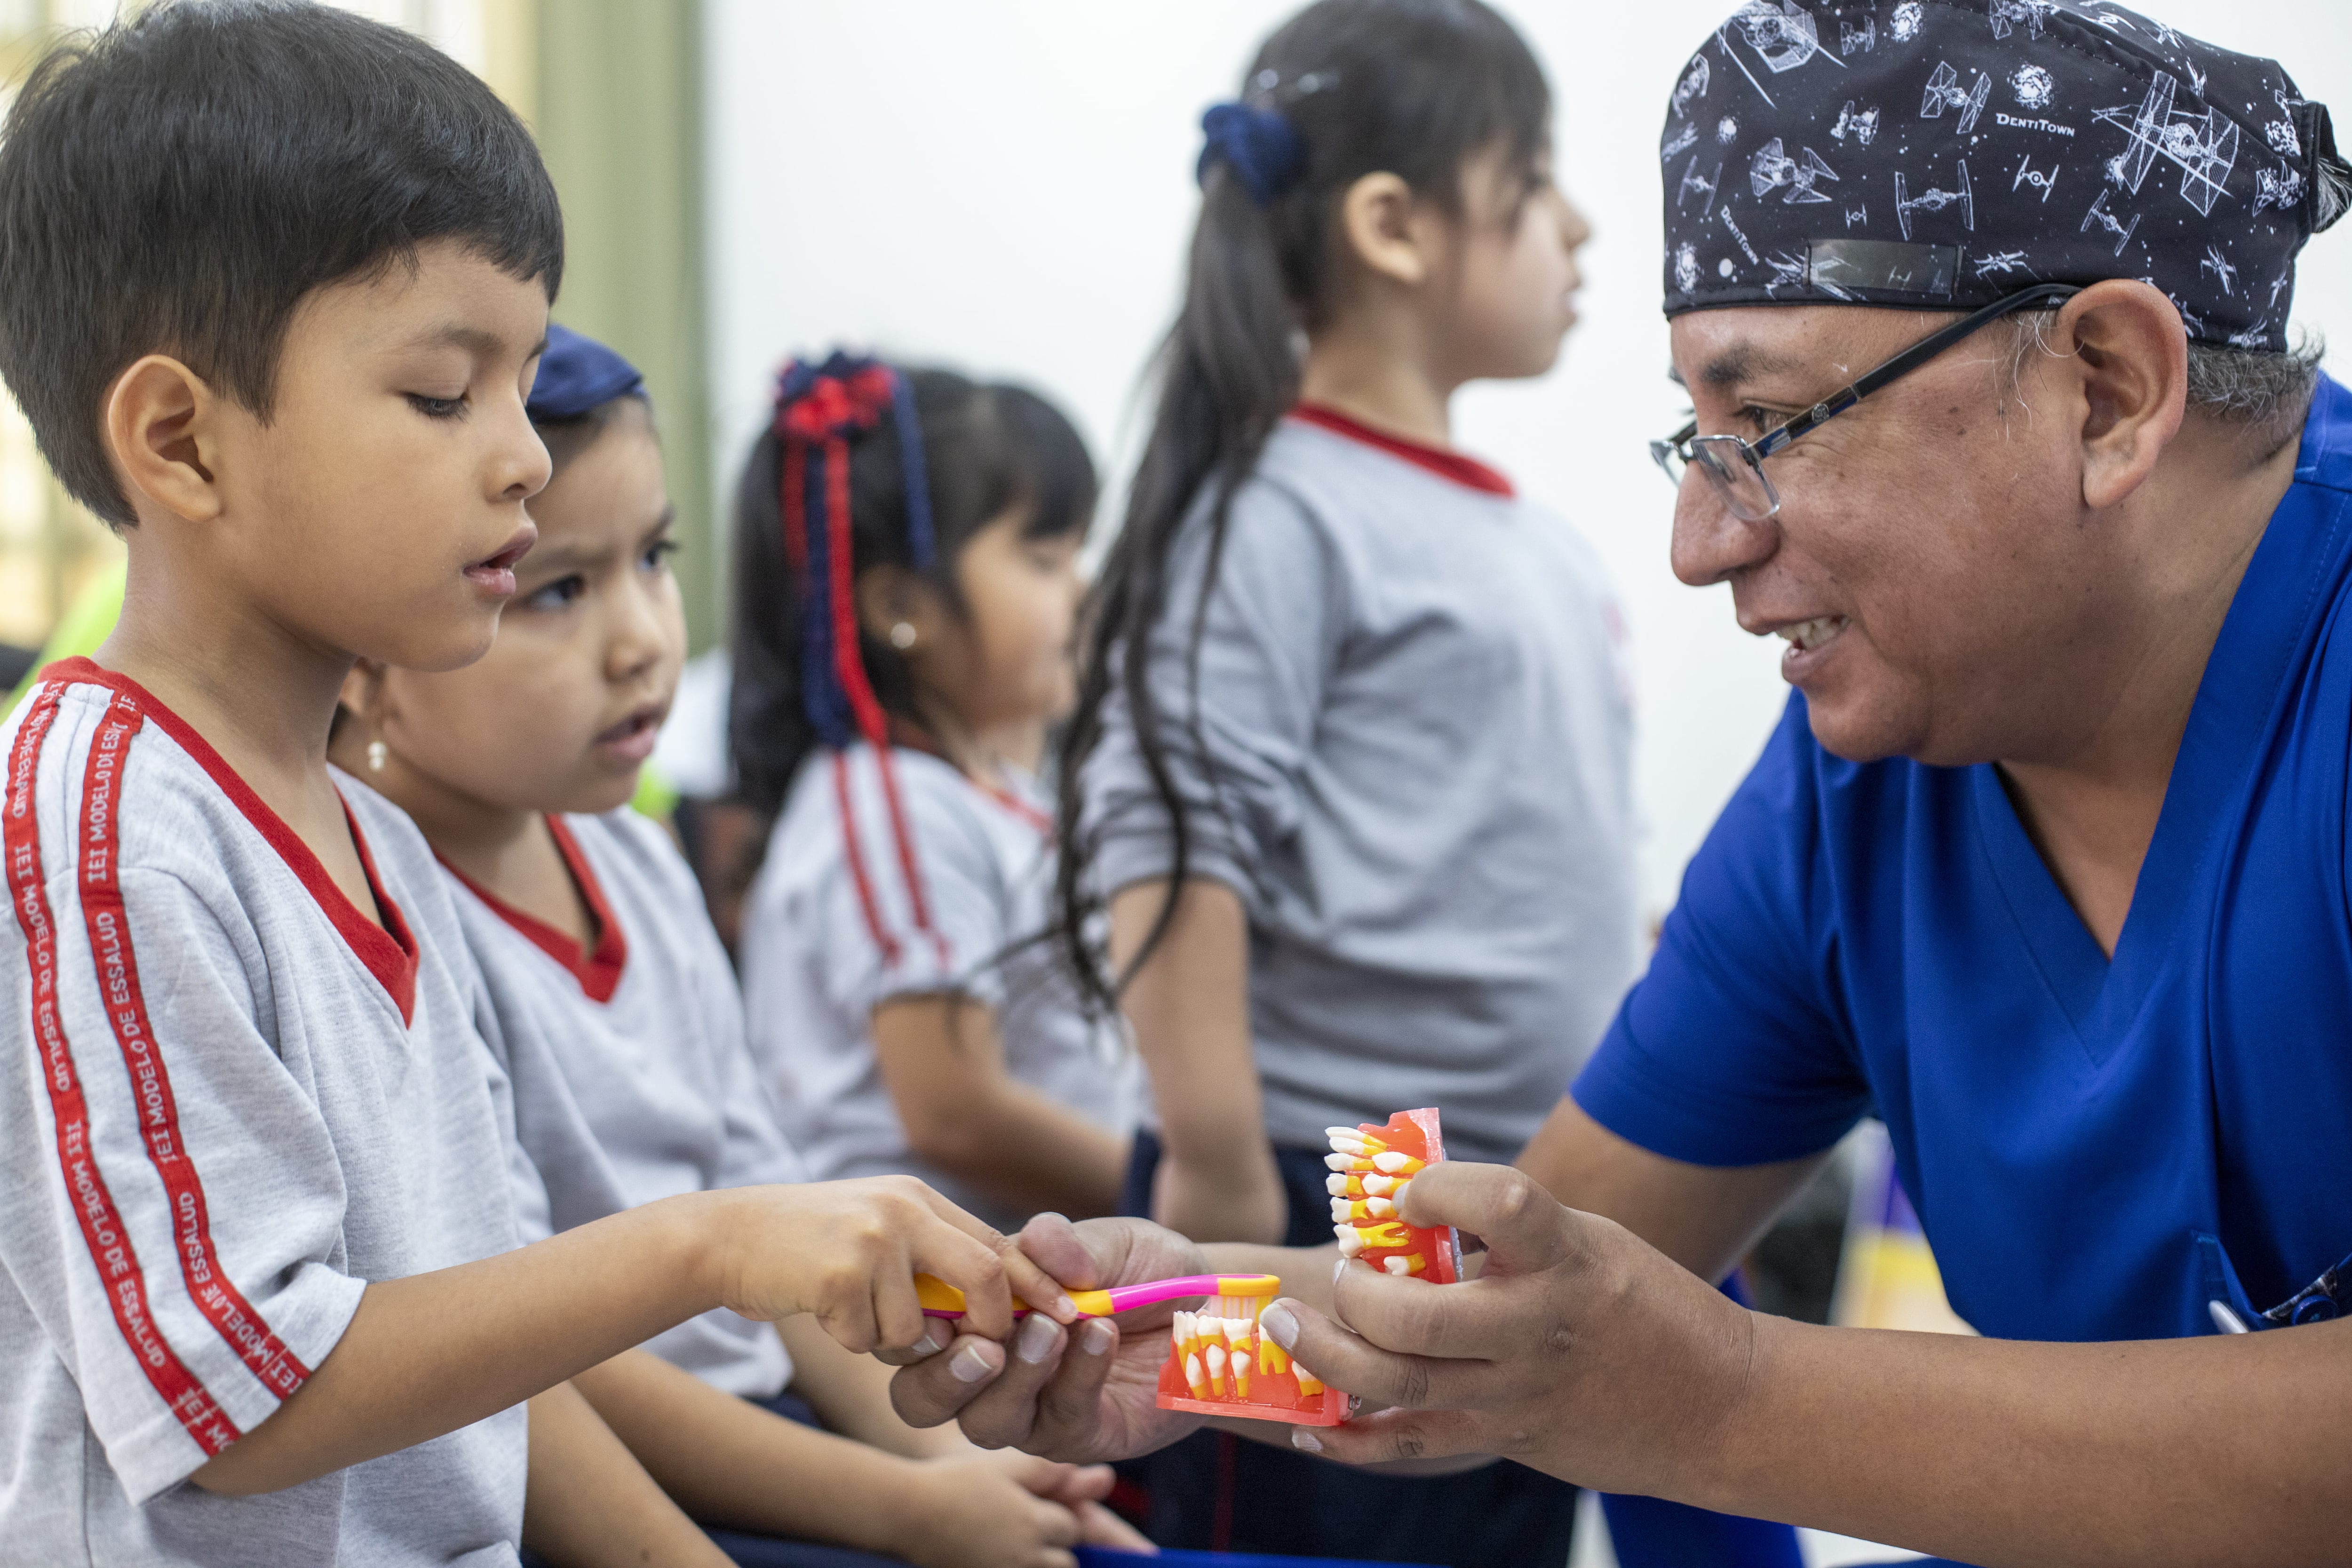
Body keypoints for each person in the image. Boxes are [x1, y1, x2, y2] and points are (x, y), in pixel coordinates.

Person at [886, 1, 2352, 1562]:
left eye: (1772, 423)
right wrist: (1181, 1310)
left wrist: (1714, 1400)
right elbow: (1519, 1283)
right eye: (1694, 438)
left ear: (2109, 390)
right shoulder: (1863, 796)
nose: (1700, 544)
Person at [0, 8, 1071, 1566]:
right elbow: (242, 1403)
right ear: (181, 441)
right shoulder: (100, 824)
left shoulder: (365, 830)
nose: (518, 459)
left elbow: (485, 1348)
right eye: (445, 393)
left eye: (520, 386)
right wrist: (709, 1247)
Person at [1041, 1, 1713, 1560]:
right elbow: (1174, 828)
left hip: (1522, 1185)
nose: (1581, 221)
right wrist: (1213, 1165)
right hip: (1321, 1184)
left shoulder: (1531, 536)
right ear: (1398, 226)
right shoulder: (1278, 504)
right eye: (1537, 181)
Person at [333, 325, 1148, 1568]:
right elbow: (532, 1378)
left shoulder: (639, 864)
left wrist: (942, 1455)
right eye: (555, 586)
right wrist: (907, 1508)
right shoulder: (383, 917)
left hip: (781, 1429)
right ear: (366, 654)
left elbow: (776, 1216)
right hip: (608, 1493)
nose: (645, 637)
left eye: (653, 560)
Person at [731, 355, 1140, 1237]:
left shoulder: (985, 788)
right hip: (912, 1316)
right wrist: (1171, 1187)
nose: (1081, 588)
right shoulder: (895, 807)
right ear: (899, 605)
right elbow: (953, 1110)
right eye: (1043, 557)